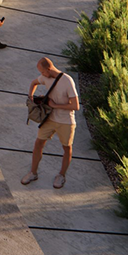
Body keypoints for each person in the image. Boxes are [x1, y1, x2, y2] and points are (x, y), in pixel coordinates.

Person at [22, 57, 80, 189]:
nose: (41, 75)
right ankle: (33, 172)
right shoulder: (45, 78)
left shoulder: (67, 80)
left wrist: (55, 105)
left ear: (48, 69)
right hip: (50, 119)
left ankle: (61, 175)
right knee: (38, 143)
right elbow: (33, 83)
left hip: (66, 121)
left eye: (42, 72)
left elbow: (76, 105)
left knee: (67, 148)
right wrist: (30, 97)